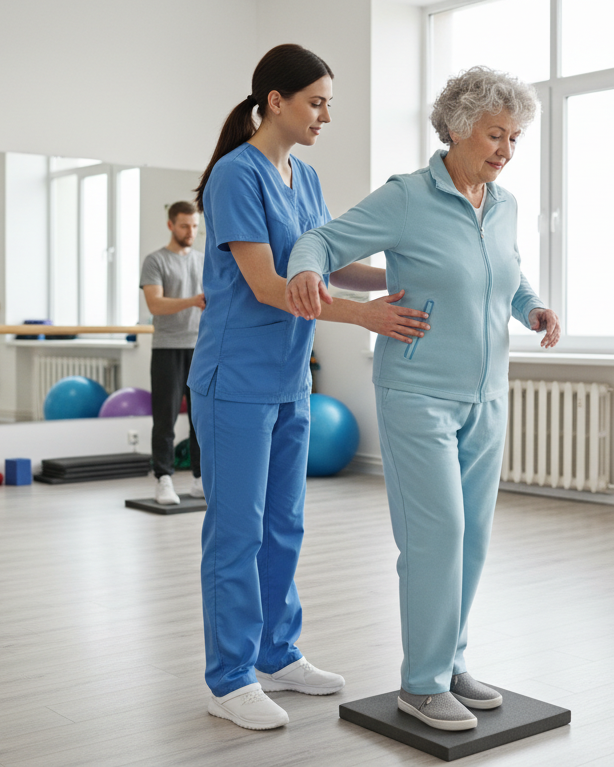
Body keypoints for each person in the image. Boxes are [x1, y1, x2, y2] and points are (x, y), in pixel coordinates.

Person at [285, 66, 561, 732]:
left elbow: (509, 272)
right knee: (436, 536)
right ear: (459, 129)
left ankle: (450, 662)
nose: (505, 149)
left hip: (486, 393)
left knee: (471, 540)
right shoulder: (408, 197)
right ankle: (420, 682)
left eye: (514, 138)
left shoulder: (503, 204)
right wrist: (304, 271)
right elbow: (320, 240)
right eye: (495, 134)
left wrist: (533, 307)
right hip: (417, 392)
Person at [188, 43, 432, 731]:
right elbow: (270, 286)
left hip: (289, 379)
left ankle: (275, 651)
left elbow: (317, 263)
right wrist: (365, 316)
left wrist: (394, 278)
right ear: (275, 101)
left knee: (283, 524)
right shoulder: (237, 176)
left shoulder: (306, 175)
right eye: (317, 101)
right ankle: (229, 675)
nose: (326, 114)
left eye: (328, 102)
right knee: (236, 530)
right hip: (233, 378)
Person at [140, 200, 206, 505]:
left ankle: (199, 478)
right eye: (184, 226)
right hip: (168, 348)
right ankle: (164, 479)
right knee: (165, 418)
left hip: (200, 348)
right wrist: (192, 300)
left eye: (194, 226)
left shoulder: (204, 260)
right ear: (170, 225)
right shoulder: (155, 261)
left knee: (201, 419)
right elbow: (155, 304)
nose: (190, 231)